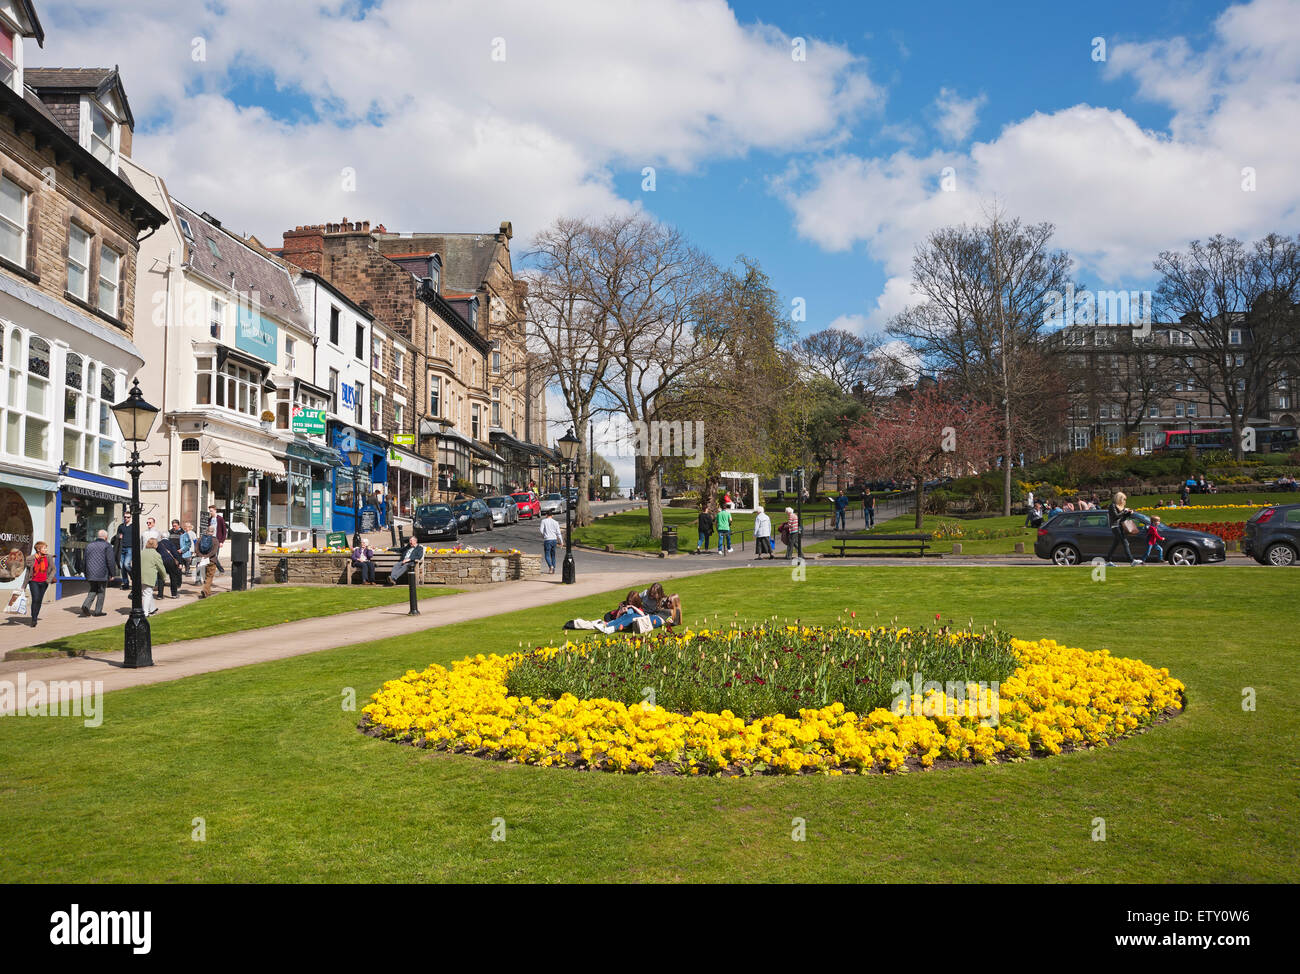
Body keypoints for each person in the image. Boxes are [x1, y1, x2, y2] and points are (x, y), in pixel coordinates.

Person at [80, 529, 117, 617]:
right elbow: (110, 561)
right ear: (106, 537)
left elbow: (84, 560)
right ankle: (98, 611)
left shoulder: (89, 545)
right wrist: (112, 574)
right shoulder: (107, 546)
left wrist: (85, 572)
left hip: (90, 573)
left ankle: (86, 605)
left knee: (93, 589)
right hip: (102, 573)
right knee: (101, 591)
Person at [1105, 491, 1141, 567]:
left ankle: (1108, 561)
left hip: (1120, 527)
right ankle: (1132, 560)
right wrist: (1124, 511)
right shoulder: (1112, 506)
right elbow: (1115, 516)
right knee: (1125, 543)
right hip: (1116, 527)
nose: (1124, 501)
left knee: (1115, 545)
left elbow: (1122, 517)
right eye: (1123, 499)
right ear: (1119, 498)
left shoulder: (1119, 506)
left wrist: (1128, 513)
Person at [25, 541, 51, 627]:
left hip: (44, 582)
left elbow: (54, 569)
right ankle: (34, 619)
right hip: (34, 581)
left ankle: (35, 615)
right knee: (35, 599)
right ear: (38, 549)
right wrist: (23, 586)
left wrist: (48, 580)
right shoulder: (31, 558)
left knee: (39, 600)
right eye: (44, 548)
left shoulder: (49, 558)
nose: (46, 549)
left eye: (46, 548)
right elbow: (28, 573)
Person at [139, 538, 167, 615]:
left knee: (146, 592)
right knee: (147, 593)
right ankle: (145, 613)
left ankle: (152, 609)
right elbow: (161, 567)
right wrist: (164, 576)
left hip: (140, 576)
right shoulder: (156, 554)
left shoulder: (141, 552)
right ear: (156, 545)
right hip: (149, 576)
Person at [156, 533, 184, 598]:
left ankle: (160, 595)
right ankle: (174, 594)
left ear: (161, 536)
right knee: (173, 577)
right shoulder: (171, 543)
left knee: (161, 578)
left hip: (161, 562)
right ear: (168, 537)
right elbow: (175, 553)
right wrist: (179, 562)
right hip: (170, 562)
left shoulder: (159, 544)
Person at [113, 511, 134, 589]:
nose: (126, 518)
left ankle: (133, 577)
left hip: (130, 548)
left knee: (126, 565)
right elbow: (117, 536)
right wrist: (119, 536)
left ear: (130, 518)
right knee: (122, 567)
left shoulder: (133, 526)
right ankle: (125, 583)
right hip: (121, 548)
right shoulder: (121, 526)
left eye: (128, 517)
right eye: (125, 517)